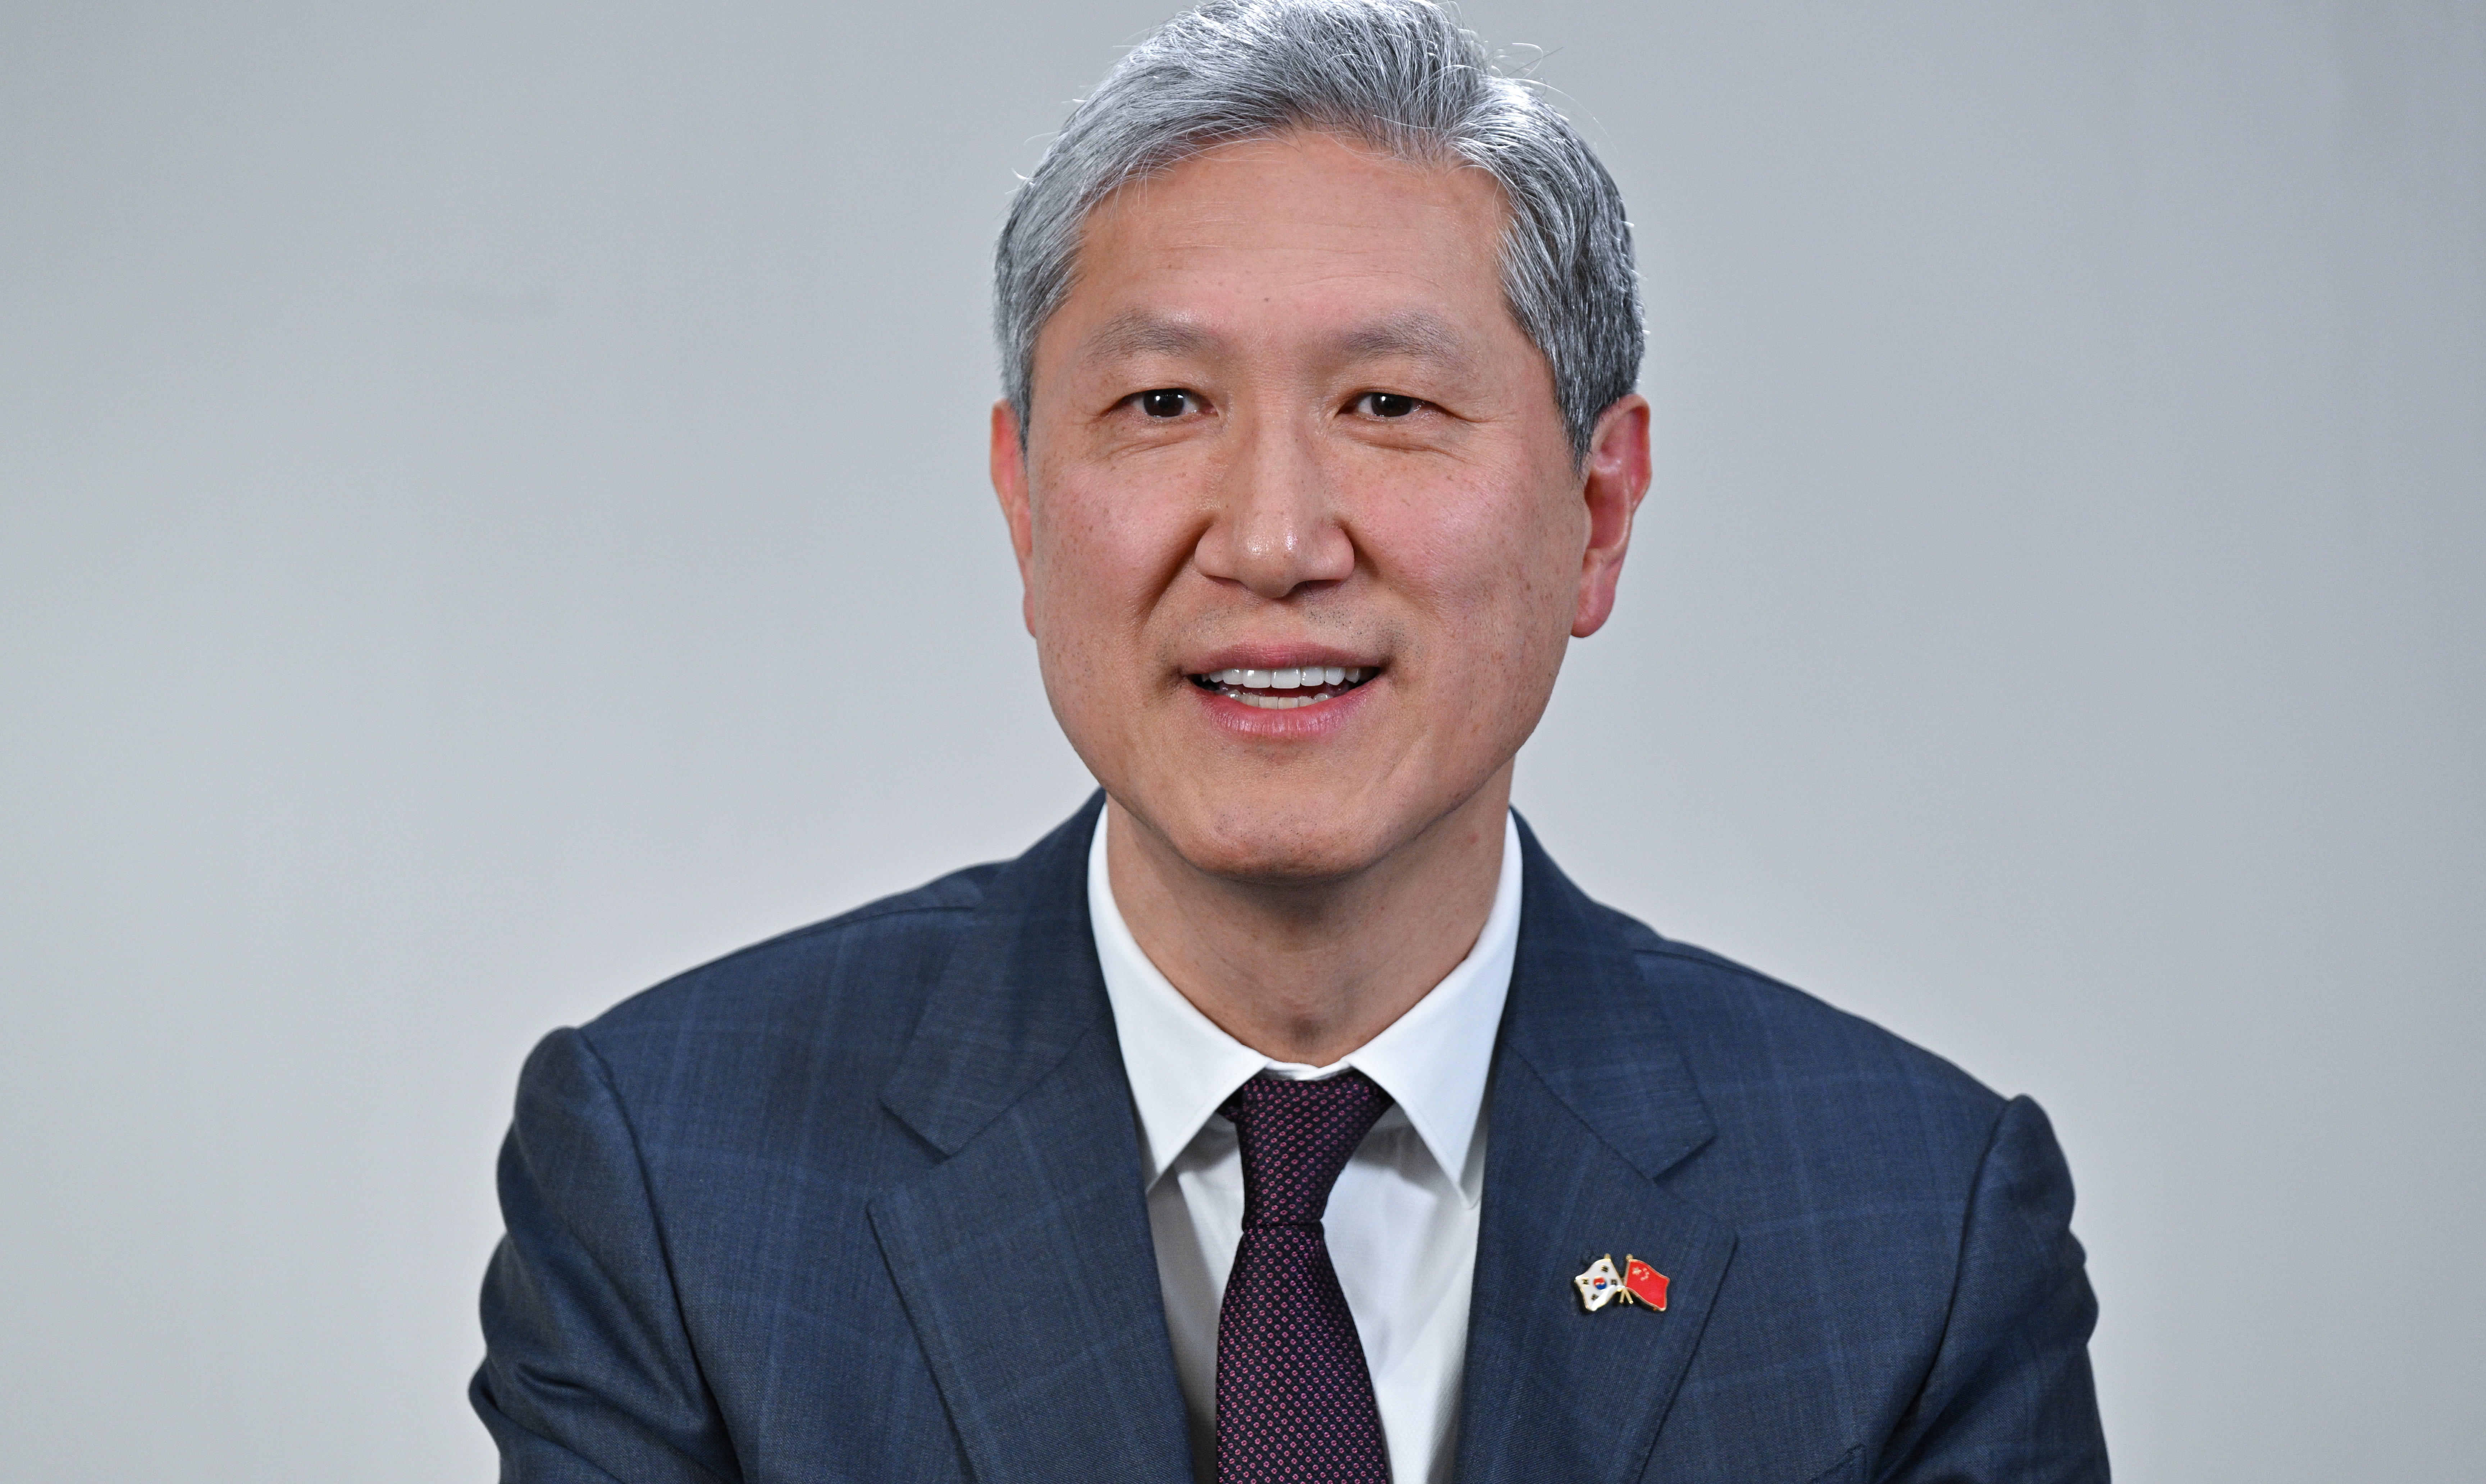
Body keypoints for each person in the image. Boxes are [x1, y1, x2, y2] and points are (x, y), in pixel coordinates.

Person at [469, 2, 2108, 1480]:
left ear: (1598, 512)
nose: (1270, 542)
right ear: (1023, 503)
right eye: (1163, 406)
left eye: (1388, 405)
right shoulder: (677, 1171)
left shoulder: (1914, 1231)